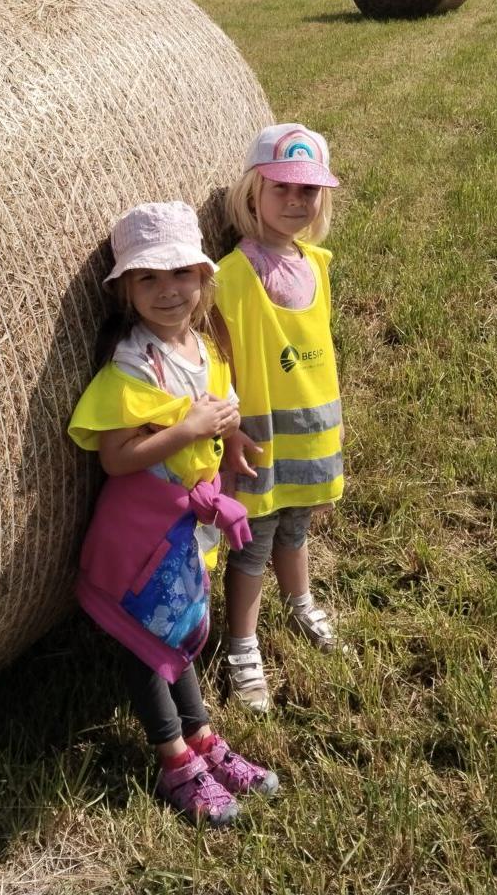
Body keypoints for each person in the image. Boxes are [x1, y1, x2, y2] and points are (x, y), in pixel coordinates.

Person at [70, 201, 279, 827]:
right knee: (147, 645)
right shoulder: (134, 365)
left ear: (203, 279)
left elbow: (219, 405)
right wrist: (188, 428)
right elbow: (116, 457)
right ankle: (173, 760)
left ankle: (204, 738)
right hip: (140, 538)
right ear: (127, 292)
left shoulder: (202, 346)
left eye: (181, 274)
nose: (168, 291)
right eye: (149, 279)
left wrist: (230, 438)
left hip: (181, 530)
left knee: (177, 632)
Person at [215, 125, 345, 713]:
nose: (296, 201)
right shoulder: (233, 275)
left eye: (308, 191)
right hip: (259, 439)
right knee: (253, 543)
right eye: (281, 188)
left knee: (296, 527)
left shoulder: (316, 264)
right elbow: (217, 361)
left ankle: (300, 603)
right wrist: (229, 429)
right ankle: (242, 645)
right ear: (253, 192)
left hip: (312, 431)